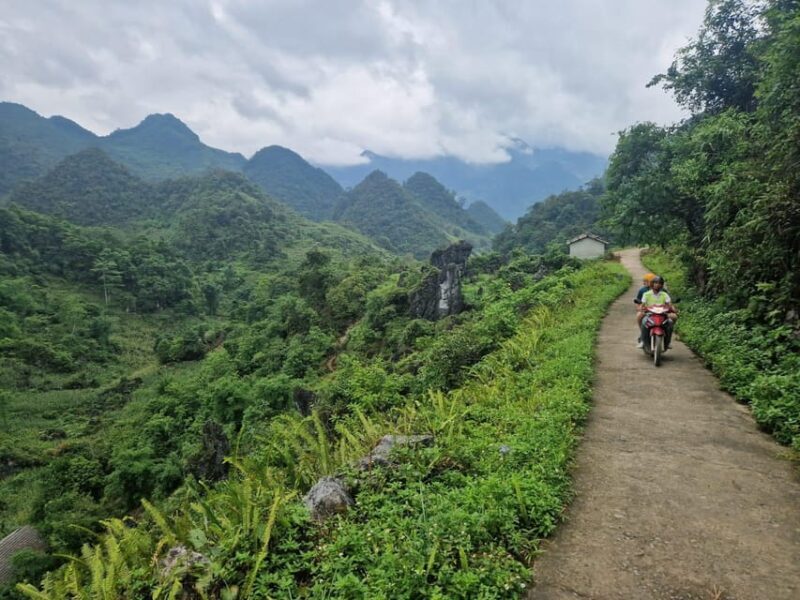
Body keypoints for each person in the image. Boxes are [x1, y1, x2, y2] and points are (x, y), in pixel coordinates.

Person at [638, 276, 678, 348]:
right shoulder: (646, 294)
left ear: (662, 285)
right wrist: (641, 308)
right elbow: (642, 305)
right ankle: (643, 339)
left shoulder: (664, 294)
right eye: (655, 283)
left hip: (662, 314)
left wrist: (673, 309)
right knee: (641, 319)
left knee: (671, 321)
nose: (657, 285)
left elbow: (670, 304)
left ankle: (667, 341)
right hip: (649, 314)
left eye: (659, 283)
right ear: (652, 284)